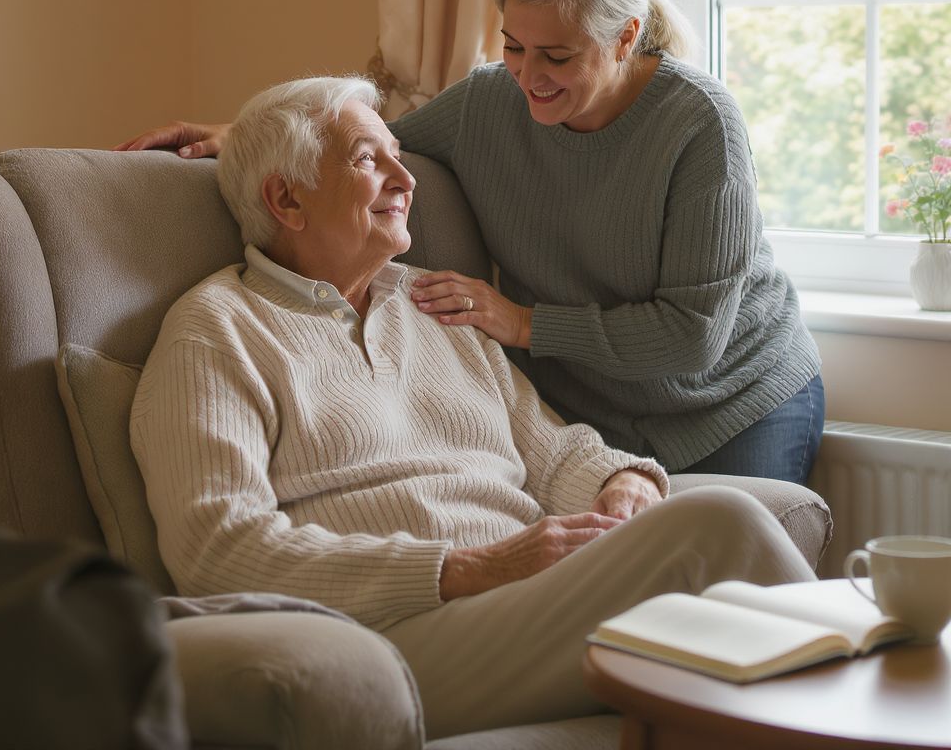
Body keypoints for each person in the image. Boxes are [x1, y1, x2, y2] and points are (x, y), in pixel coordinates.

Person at [129, 76, 817, 740]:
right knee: (718, 524)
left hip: (530, 598)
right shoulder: (217, 331)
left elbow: (550, 450)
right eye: (370, 160)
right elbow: (217, 550)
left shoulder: (433, 300)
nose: (407, 180)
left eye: (400, 158)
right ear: (285, 197)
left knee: (734, 619)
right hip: (388, 637)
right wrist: (464, 569)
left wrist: (621, 482)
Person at [117, 0, 824, 484]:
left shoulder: (700, 123)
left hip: (736, 401)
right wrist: (242, 136)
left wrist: (520, 323)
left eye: (558, 56)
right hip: (592, 411)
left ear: (626, 37)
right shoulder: (490, 101)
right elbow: (362, 149)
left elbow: (692, 337)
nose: (529, 77)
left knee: (743, 621)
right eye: (516, 46)